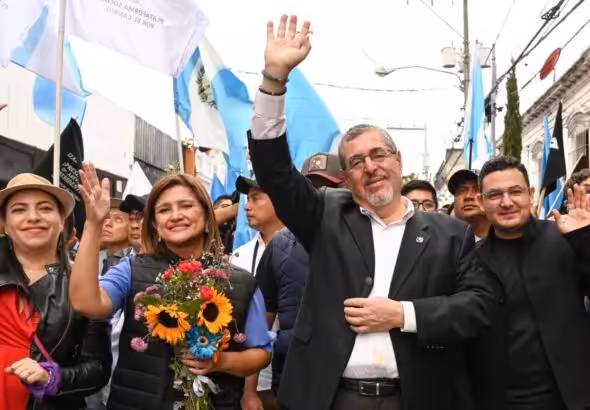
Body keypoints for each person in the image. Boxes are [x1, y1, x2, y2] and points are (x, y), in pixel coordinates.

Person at [247, 15, 500, 410]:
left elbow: (478, 307)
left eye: (379, 154)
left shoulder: (451, 234)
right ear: (346, 177)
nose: (371, 166)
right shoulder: (324, 216)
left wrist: (403, 314)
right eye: (358, 161)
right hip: (332, 398)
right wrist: (274, 79)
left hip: (416, 397)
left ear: (399, 161)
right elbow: (275, 172)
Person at [69, 163, 272, 410]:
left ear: (208, 219)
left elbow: (261, 353)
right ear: (155, 225)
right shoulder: (132, 269)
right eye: (164, 210)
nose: (175, 215)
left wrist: (219, 361)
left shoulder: (241, 282)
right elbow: (86, 303)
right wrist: (93, 224)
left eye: (186, 206)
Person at [468, 156, 590, 410]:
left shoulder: (565, 238)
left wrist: (583, 240)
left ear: (531, 194)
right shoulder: (470, 258)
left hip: (571, 398)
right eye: (495, 195)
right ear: (481, 201)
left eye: (515, 192)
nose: (507, 202)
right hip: (498, 401)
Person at [0, 173, 111, 410]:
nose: (33, 217)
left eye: (45, 208)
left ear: (62, 221)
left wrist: (51, 376)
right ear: (5, 225)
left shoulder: (85, 286)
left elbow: (98, 369)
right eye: (19, 210)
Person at [256, 152, 344, 395]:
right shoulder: (279, 244)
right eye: (312, 187)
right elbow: (261, 320)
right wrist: (250, 391)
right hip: (291, 374)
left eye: (329, 187)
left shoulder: (365, 239)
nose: (320, 194)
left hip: (346, 380)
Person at [231, 176, 284, 410]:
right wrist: (247, 392)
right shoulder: (239, 257)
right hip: (246, 379)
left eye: (255, 198)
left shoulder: (306, 249)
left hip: (290, 377)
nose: (246, 206)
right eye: (247, 199)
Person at [448, 169, 490, 240]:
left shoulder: (512, 241)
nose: (468, 196)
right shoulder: (443, 246)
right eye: (461, 191)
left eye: (478, 189)